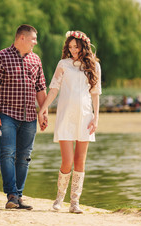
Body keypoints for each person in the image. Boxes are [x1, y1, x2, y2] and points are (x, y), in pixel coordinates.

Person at [38, 30, 101, 213]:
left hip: (85, 117)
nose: (73, 50)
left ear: (84, 46)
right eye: (70, 47)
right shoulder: (63, 64)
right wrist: (42, 109)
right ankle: (59, 198)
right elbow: (54, 89)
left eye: (76, 46)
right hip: (65, 116)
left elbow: (95, 94)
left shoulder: (94, 66)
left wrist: (96, 117)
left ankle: (75, 202)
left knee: (80, 161)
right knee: (67, 161)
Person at [0, 24, 48, 210]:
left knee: (25, 157)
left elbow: (40, 89)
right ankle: (11, 195)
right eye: (33, 39)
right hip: (6, 115)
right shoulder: (0, 57)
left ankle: (18, 196)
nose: (35, 43)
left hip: (29, 116)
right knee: (7, 153)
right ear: (22, 37)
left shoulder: (36, 60)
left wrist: (43, 112)